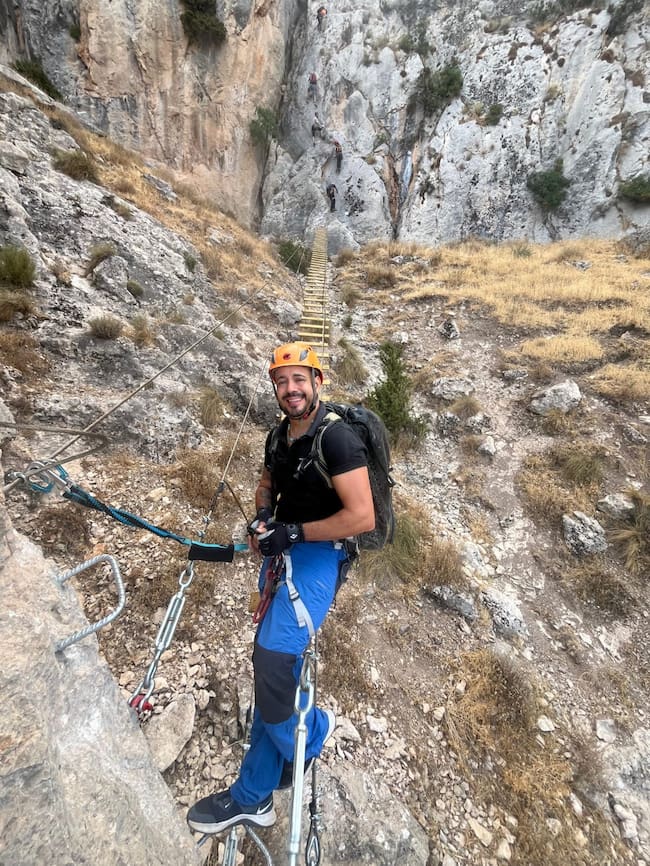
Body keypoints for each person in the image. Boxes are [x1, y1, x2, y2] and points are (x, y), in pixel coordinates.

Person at [186, 342, 374, 836]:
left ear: (317, 382)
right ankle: (254, 795)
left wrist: (296, 534)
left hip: (319, 555)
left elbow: (362, 515)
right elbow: (266, 484)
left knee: (272, 659)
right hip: (285, 550)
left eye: (299, 380)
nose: (290, 390)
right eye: (282, 381)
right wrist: (264, 519)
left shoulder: (337, 440)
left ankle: (311, 734)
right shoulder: (278, 436)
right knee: (274, 666)